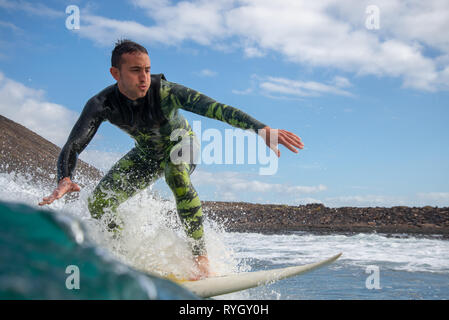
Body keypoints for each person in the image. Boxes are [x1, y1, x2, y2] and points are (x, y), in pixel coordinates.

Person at [39, 39, 304, 279]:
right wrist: (65, 177)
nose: (144, 77)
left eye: (147, 69)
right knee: (99, 204)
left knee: (175, 173)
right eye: (135, 71)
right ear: (115, 73)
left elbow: (216, 109)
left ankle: (201, 260)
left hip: (182, 144)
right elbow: (74, 143)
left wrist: (260, 128)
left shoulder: (165, 91)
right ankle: (124, 260)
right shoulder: (101, 104)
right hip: (147, 155)